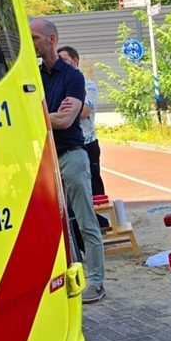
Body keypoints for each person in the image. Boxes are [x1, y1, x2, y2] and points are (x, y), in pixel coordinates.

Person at [30, 18, 105, 304]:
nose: (31, 44)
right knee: (52, 223)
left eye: (35, 38)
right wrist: (49, 117)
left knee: (85, 220)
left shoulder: (73, 77)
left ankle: (96, 282)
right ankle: (63, 279)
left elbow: (65, 120)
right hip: (45, 159)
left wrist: (37, 117)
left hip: (72, 155)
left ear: (51, 39)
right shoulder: (34, 76)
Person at [57, 45, 108, 217]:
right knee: (72, 188)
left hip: (87, 142)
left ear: (75, 61)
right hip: (69, 144)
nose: (61, 64)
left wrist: (66, 112)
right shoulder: (59, 83)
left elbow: (85, 111)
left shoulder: (89, 85)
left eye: (64, 60)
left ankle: (100, 221)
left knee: (93, 183)